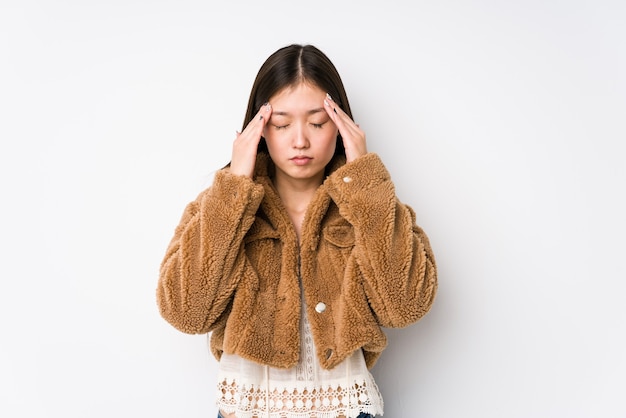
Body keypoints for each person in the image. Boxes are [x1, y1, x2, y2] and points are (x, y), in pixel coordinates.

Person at [156, 44, 437, 418]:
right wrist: (235, 187)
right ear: (258, 128)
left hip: (347, 410)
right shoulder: (221, 205)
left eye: (318, 122)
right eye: (282, 124)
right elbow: (186, 312)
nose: (300, 140)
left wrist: (367, 182)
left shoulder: (370, 202)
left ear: (341, 126)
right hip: (245, 410)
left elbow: (406, 307)